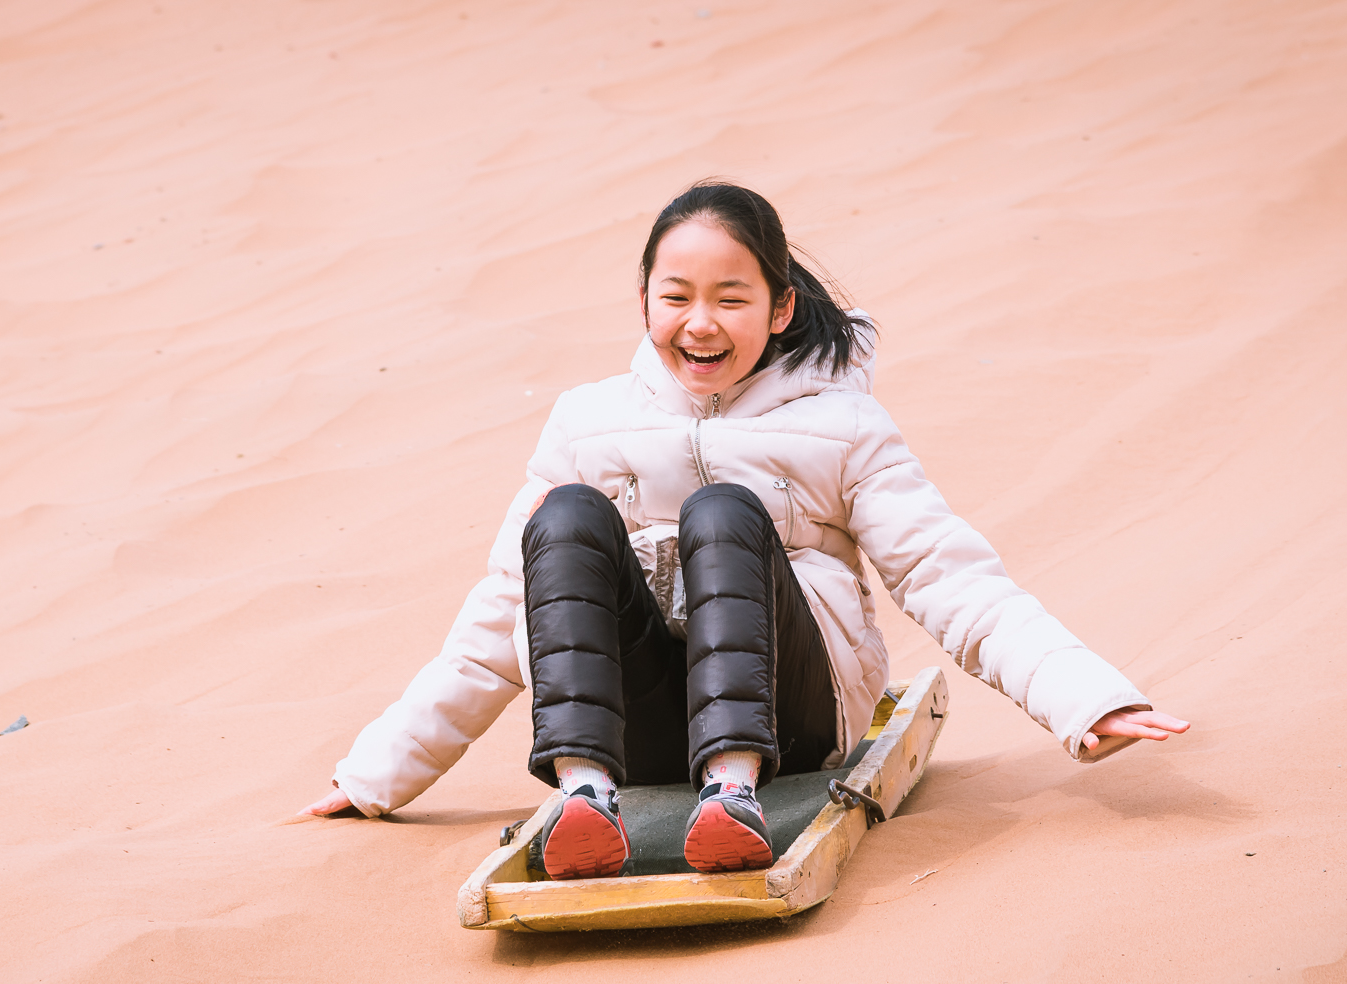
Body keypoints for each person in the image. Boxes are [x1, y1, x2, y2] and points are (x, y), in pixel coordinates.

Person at [299, 181, 1189, 878]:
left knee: (722, 511)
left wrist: (1087, 698)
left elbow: (945, 574)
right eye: (676, 295)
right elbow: (501, 614)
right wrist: (375, 774)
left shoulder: (842, 425)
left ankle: (733, 791)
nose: (700, 322)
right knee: (563, 516)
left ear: (781, 307)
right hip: (644, 725)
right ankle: (586, 797)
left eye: (731, 297)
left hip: (789, 718)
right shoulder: (585, 423)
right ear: (644, 304)